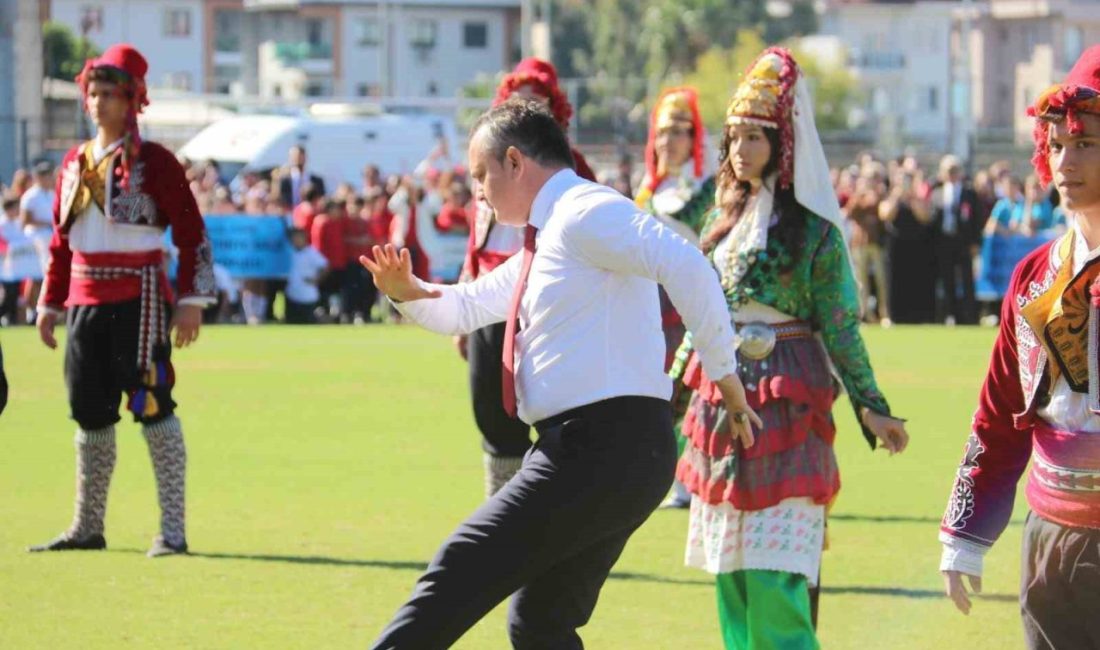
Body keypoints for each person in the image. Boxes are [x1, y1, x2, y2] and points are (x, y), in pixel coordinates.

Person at [362, 98, 756, 649]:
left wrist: (725, 377)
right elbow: (468, 306)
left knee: (460, 567)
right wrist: (407, 294)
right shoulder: (550, 236)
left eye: (482, 174)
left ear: (516, 162)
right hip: (609, 451)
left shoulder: (583, 211)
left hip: (601, 447)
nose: (477, 190)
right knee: (540, 621)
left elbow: (688, 264)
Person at [670, 48, 909, 649]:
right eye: (736, 137)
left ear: (784, 141)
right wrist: (668, 388)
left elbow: (840, 325)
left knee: (777, 574)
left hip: (789, 400)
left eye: (757, 136)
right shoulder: (720, 221)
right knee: (731, 577)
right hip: (719, 400)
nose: (742, 150)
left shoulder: (815, 232)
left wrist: (869, 404)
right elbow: (703, 317)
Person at [939, 45, 1100, 648]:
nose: (1067, 160)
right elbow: (998, 412)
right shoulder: (1035, 275)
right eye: (1057, 144)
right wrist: (964, 532)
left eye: (1085, 144)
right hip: (1049, 540)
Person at [30, 43, 215, 557]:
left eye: (110, 94)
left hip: (141, 303)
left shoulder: (155, 163)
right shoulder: (74, 162)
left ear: (133, 101)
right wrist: (50, 303)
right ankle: (87, 526)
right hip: (84, 305)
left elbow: (192, 233)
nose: (98, 103)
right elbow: (60, 241)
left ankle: (172, 531)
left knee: (152, 406)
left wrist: (192, 299)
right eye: (93, 92)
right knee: (89, 414)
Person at [455, 57, 601, 497]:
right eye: (517, 106)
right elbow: (476, 237)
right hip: (487, 296)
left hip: (540, 298)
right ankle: (500, 505)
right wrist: (464, 296)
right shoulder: (489, 164)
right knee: (490, 412)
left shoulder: (568, 167)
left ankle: (548, 510)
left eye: (536, 107)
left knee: (550, 409)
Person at [635, 86, 715, 508]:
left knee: (694, 390)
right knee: (658, 393)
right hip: (650, 302)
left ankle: (694, 481)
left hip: (691, 301)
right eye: (663, 132)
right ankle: (668, 478)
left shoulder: (709, 187)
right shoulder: (646, 189)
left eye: (680, 131)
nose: (670, 141)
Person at [930, 154, 983, 325]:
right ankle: (950, 314)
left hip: (964, 242)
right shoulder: (937, 193)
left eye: (955, 170)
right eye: (948, 170)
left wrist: (976, 242)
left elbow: (977, 219)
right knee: (947, 280)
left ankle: (970, 316)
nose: (952, 174)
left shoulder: (969, 192)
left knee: (967, 280)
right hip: (945, 241)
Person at [19, 160, 56, 324]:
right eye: (46, 176)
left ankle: (44, 309)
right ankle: (31, 310)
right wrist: (46, 224)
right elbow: (25, 220)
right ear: (39, 177)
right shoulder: (30, 196)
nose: (50, 179)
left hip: (50, 237)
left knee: (45, 275)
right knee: (35, 277)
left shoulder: (52, 194)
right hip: (35, 238)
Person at [285, 227, 328, 324]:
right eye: (294, 238)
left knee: (308, 322)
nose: (296, 240)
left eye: (298, 237)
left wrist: (317, 280)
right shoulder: (289, 252)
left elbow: (325, 266)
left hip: (308, 296)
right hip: (292, 295)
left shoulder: (311, 253)